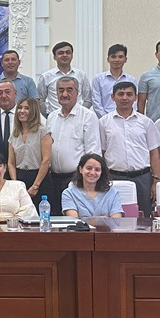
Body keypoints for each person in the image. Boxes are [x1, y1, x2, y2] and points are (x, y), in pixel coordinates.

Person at [99, 81, 160, 216]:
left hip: (142, 178)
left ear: (135, 98)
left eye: (129, 94)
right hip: (114, 177)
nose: (125, 98)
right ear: (112, 97)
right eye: (120, 94)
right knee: (114, 216)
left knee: (144, 217)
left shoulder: (146, 122)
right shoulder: (104, 122)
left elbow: (154, 153)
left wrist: (155, 181)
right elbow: (101, 152)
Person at [47, 76, 101, 215]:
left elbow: (93, 152)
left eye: (69, 90)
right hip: (53, 179)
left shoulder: (88, 116)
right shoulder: (52, 117)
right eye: (61, 90)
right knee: (55, 220)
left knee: (73, 222)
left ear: (77, 93)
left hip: (76, 180)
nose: (64, 94)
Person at [8, 97, 52, 207]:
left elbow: (46, 160)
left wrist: (35, 186)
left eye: (26, 108)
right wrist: (16, 184)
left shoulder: (43, 131)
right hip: (20, 178)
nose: (22, 111)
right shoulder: (14, 134)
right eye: (20, 108)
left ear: (33, 111)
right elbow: (11, 163)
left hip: (39, 179)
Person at [61, 153, 124, 218]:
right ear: (81, 169)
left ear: (101, 172)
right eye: (89, 168)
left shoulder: (113, 193)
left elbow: (116, 220)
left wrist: (86, 219)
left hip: (108, 228)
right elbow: (74, 220)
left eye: (97, 170)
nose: (92, 173)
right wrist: (100, 219)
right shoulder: (68, 194)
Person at [39, 41, 92, 117]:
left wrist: (80, 114)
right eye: (61, 53)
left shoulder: (81, 75)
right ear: (54, 57)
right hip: (55, 118)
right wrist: (48, 116)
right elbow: (40, 100)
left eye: (68, 52)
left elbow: (88, 99)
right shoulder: (46, 76)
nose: (65, 55)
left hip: (77, 117)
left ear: (72, 55)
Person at [91, 44, 136, 118]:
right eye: (113, 57)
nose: (117, 60)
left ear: (125, 59)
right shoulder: (98, 79)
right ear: (108, 59)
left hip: (127, 119)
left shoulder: (131, 80)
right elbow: (96, 103)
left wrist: (127, 117)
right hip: (105, 120)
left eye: (120, 57)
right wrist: (107, 119)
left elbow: (134, 102)